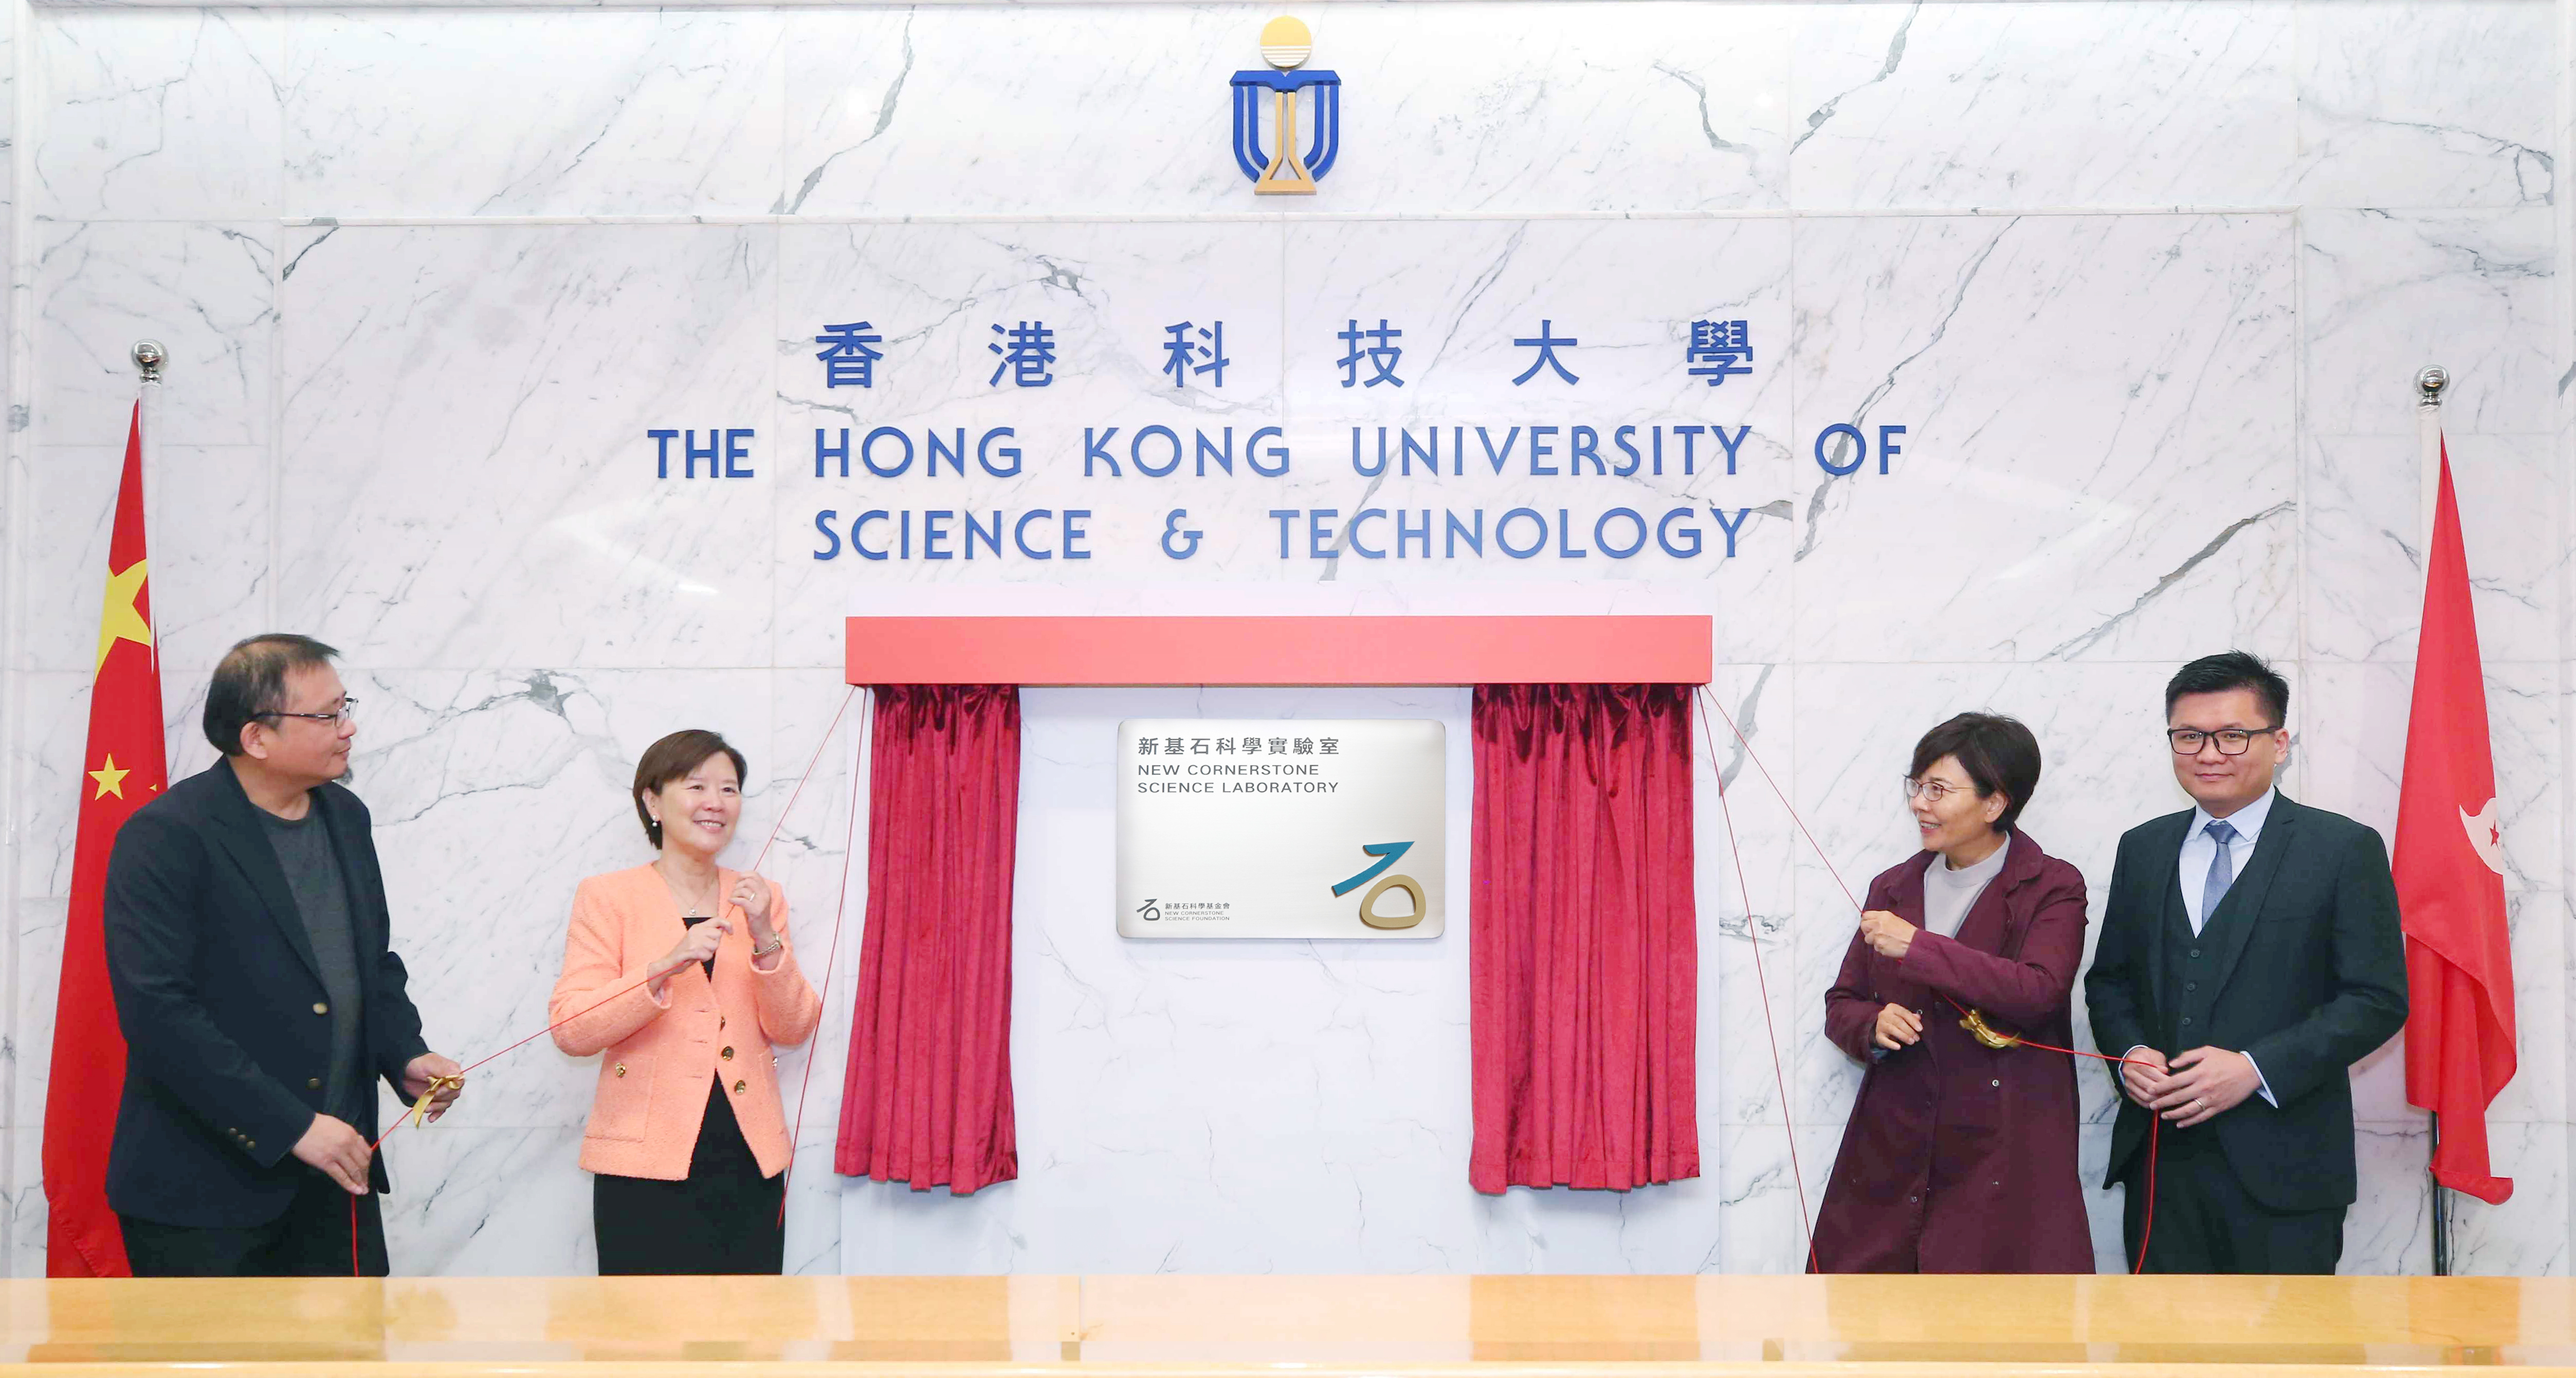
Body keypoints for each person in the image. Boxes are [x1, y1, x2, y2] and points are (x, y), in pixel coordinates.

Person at [103, 634, 463, 1277]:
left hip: (335, 1180)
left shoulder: (346, 817)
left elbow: (367, 964)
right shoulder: (165, 836)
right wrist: (293, 1125)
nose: (348, 727)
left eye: (344, 706)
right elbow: (159, 1014)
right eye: (326, 715)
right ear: (257, 737)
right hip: (204, 1194)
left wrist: (404, 1053)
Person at [2085, 650, 2408, 1274]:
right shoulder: (2143, 847)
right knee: (2162, 1358)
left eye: (2233, 735)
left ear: (2279, 741)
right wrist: (2128, 1055)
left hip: (2284, 1166)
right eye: (2189, 736)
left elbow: (2375, 998)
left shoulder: (2341, 848)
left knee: (2290, 1361)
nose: (2208, 753)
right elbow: (2110, 982)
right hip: (2160, 1162)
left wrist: (2255, 1068)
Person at [1813, 712, 2093, 1273]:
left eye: (1938, 789)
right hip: (1894, 1143)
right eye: (1916, 785)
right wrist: (1872, 1025)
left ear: (1995, 803)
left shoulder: (2053, 885)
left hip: (2001, 1150)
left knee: (1999, 1336)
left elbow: (2037, 990)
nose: (1920, 803)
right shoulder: (1893, 885)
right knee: (1871, 1333)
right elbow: (1841, 1001)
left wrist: (1919, 947)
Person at [551, 729, 822, 1275]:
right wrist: (662, 967)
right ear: (652, 801)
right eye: (696, 785)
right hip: (642, 1162)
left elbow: (792, 1027)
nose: (716, 802)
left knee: (746, 1341)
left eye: (729, 788)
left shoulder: (761, 896)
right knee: (643, 1341)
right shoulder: (608, 896)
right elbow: (571, 1028)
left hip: (747, 1154)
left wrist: (764, 931)